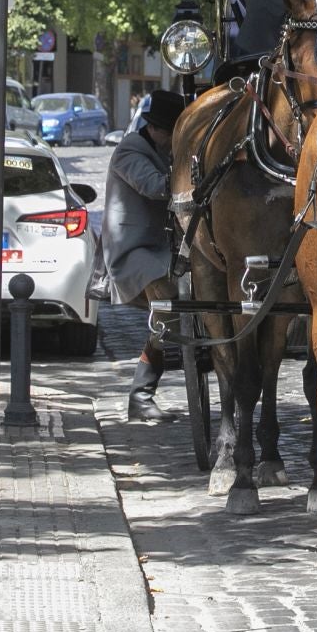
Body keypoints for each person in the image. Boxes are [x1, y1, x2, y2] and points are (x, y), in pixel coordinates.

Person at [102, 89, 188, 422]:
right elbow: (154, 186)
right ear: (155, 130)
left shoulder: (162, 149)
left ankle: (142, 394)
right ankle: (141, 394)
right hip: (132, 250)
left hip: (160, 247)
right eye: (171, 134)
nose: (171, 142)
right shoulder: (129, 151)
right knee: (167, 299)